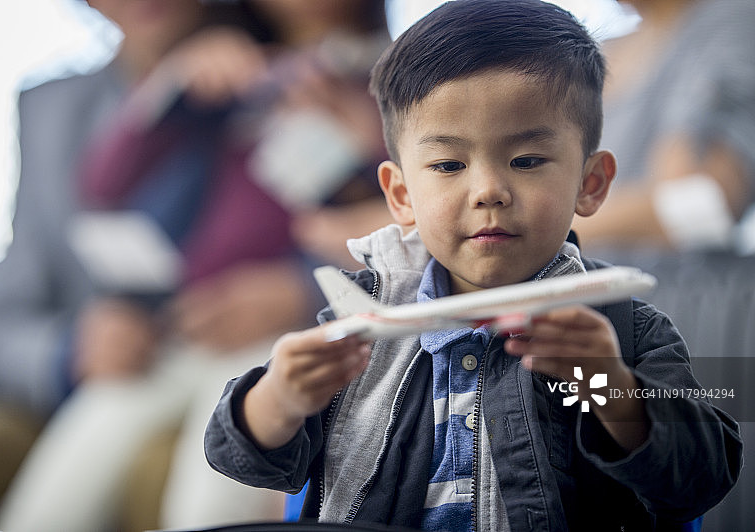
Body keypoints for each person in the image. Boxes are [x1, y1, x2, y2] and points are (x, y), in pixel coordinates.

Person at [204, 1, 743, 530]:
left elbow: (701, 479)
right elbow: (240, 458)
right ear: (400, 194)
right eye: (448, 164)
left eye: (527, 160)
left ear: (590, 183)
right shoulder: (361, 322)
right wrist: (278, 398)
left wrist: (606, 386)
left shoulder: (622, 333)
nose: (487, 189)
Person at [0, 1, 392, 531]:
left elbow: (384, 221)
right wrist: (170, 89)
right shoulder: (229, 75)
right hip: (178, 332)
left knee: (216, 493)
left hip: (279, 335)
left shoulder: (381, 83)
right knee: (56, 494)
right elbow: (106, 184)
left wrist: (364, 146)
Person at [572, 0, 755, 253]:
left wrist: (547, 232)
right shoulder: (598, 52)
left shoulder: (728, 23)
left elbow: (697, 205)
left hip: (671, 286)